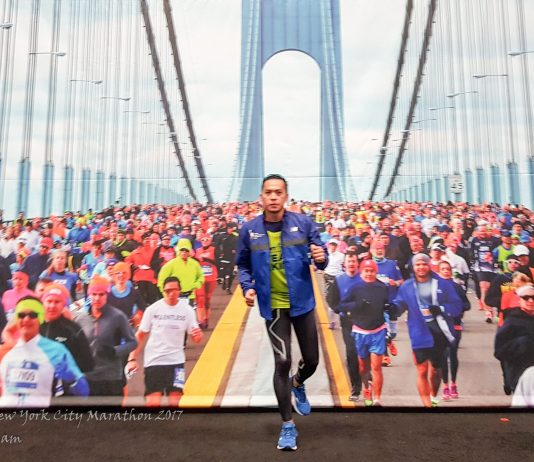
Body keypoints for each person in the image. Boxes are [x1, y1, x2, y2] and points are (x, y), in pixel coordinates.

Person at [236, 174, 327, 451]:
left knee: (312, 361)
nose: (273, 196)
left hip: (302, 303)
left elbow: (321, 256)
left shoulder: (304, 223)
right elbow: (243, 265)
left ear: (286, 196)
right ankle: (288, 425)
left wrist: (322, 257)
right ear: (261, 197)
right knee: (282, 362)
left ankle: (298, 383)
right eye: (268, 192)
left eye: (278, 192)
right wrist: (247, 287)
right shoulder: (249, 230)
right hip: (274, 307)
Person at [393, 253, 463, 407]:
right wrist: (393, 309)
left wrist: (441, 309)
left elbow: (457, 305)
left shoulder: (443, 284)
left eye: (424, 264)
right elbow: (400, 304)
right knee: (422, 370)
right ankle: (427, 405)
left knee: (436, 370)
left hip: (439, 332)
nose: (421, 267)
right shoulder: (407, 286)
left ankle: (433, 396)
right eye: (417, 264)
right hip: (419, 332)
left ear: (429, 265)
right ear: (413, 267)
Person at [126, 277, 203, 406]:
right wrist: (132, 359)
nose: (171, 294)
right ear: (163, 291)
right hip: (154, 362)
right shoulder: (153, 309)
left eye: (174, 290)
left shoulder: (187, 310)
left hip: (176, 362)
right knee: (153, 401)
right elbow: (140, 335)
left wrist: (198, 335)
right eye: (167, 291)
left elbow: (196, 338)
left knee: (175, 400)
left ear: (179, 290)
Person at [0, 296, 89, 407]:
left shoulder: (57, 351)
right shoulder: (5, 352)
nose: (26, 319)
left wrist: (71, 379)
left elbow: (84, 393)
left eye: (33, 315)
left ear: (41, 318)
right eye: (21, 315)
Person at [337, 259, 390, 406]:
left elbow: (388, 304)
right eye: (366, 271)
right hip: (360, 331)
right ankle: (366, 388)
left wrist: (390, 308)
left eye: (372, 271)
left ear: (376, 272)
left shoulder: (382, 287)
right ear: (361, 272)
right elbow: (342, 305)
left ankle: (377, 399)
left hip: (378, 331)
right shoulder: (355, 287)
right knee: (363, 367)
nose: (369, 274)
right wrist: (357, 305)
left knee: (376, 367)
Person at [74, 276, 137, 397]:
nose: (97, 298)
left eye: (101, 294)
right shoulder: (80, 319)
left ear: (107, 295)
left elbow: (132, 342)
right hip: (89, 376)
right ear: (89, 295)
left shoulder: (118, 316)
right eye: (94, 294)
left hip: (111, 376)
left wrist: (115, 351)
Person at [326, 251, 361, 401]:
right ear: (344, 264)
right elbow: (331, 299)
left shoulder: (364, 278)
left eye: (354, 261)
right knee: (351, 353)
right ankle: (356, 388)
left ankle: (368, 380)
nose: (351, 264)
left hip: (365, 323)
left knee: (364, 355)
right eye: (349, 261)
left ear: (357, 263)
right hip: (347, 322)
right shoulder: (339, 280)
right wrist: (340, 310)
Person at [39, 284, 94, 374]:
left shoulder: (73, 329)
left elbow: (88, 364)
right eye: (49, 301)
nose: (52, 305)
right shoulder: (34, 326)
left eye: (57, 302)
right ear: (43, 303)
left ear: (63, 305)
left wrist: (67, 368)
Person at [436, 260, 470, 400]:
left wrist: (457, 309)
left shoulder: (456, 287)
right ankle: (445, 386)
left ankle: (453, 384)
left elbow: (467, 304)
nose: (446, 271)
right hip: (439, 325)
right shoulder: (434, 287)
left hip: (455, 324)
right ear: (438, 271)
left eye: (448, 269)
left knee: (453, 354)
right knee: (443, 356)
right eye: (443, 269)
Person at [494, 284, 534, 394]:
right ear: (520, 300)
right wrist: (522, 344)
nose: (530, 301)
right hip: (519, 372)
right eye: (526, 298)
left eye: (533, 297)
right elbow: (499, 351)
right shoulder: (512, 321)